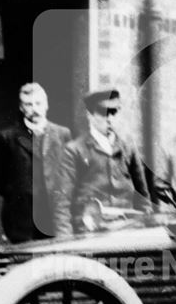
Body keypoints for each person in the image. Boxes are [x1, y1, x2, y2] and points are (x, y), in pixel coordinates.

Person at [54, 88, 151, 236]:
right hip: (90, 234)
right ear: (90, 115)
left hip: (127, 232)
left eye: (113, 112)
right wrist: (66, 240)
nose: (109, 118)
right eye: (103, 113)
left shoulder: (128, 148)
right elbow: (62, 203)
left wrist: (146, 229)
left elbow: (143, 197)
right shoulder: (74, 150)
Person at [0, 83, 71, 242]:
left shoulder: (62, 134)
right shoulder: (7, 137)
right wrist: (17, 193)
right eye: (28, 104)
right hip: (21, 218)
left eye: (38, 103)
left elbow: (69, 173)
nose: (35, 109)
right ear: (21, 107)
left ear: (46, 105)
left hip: (55, 216)